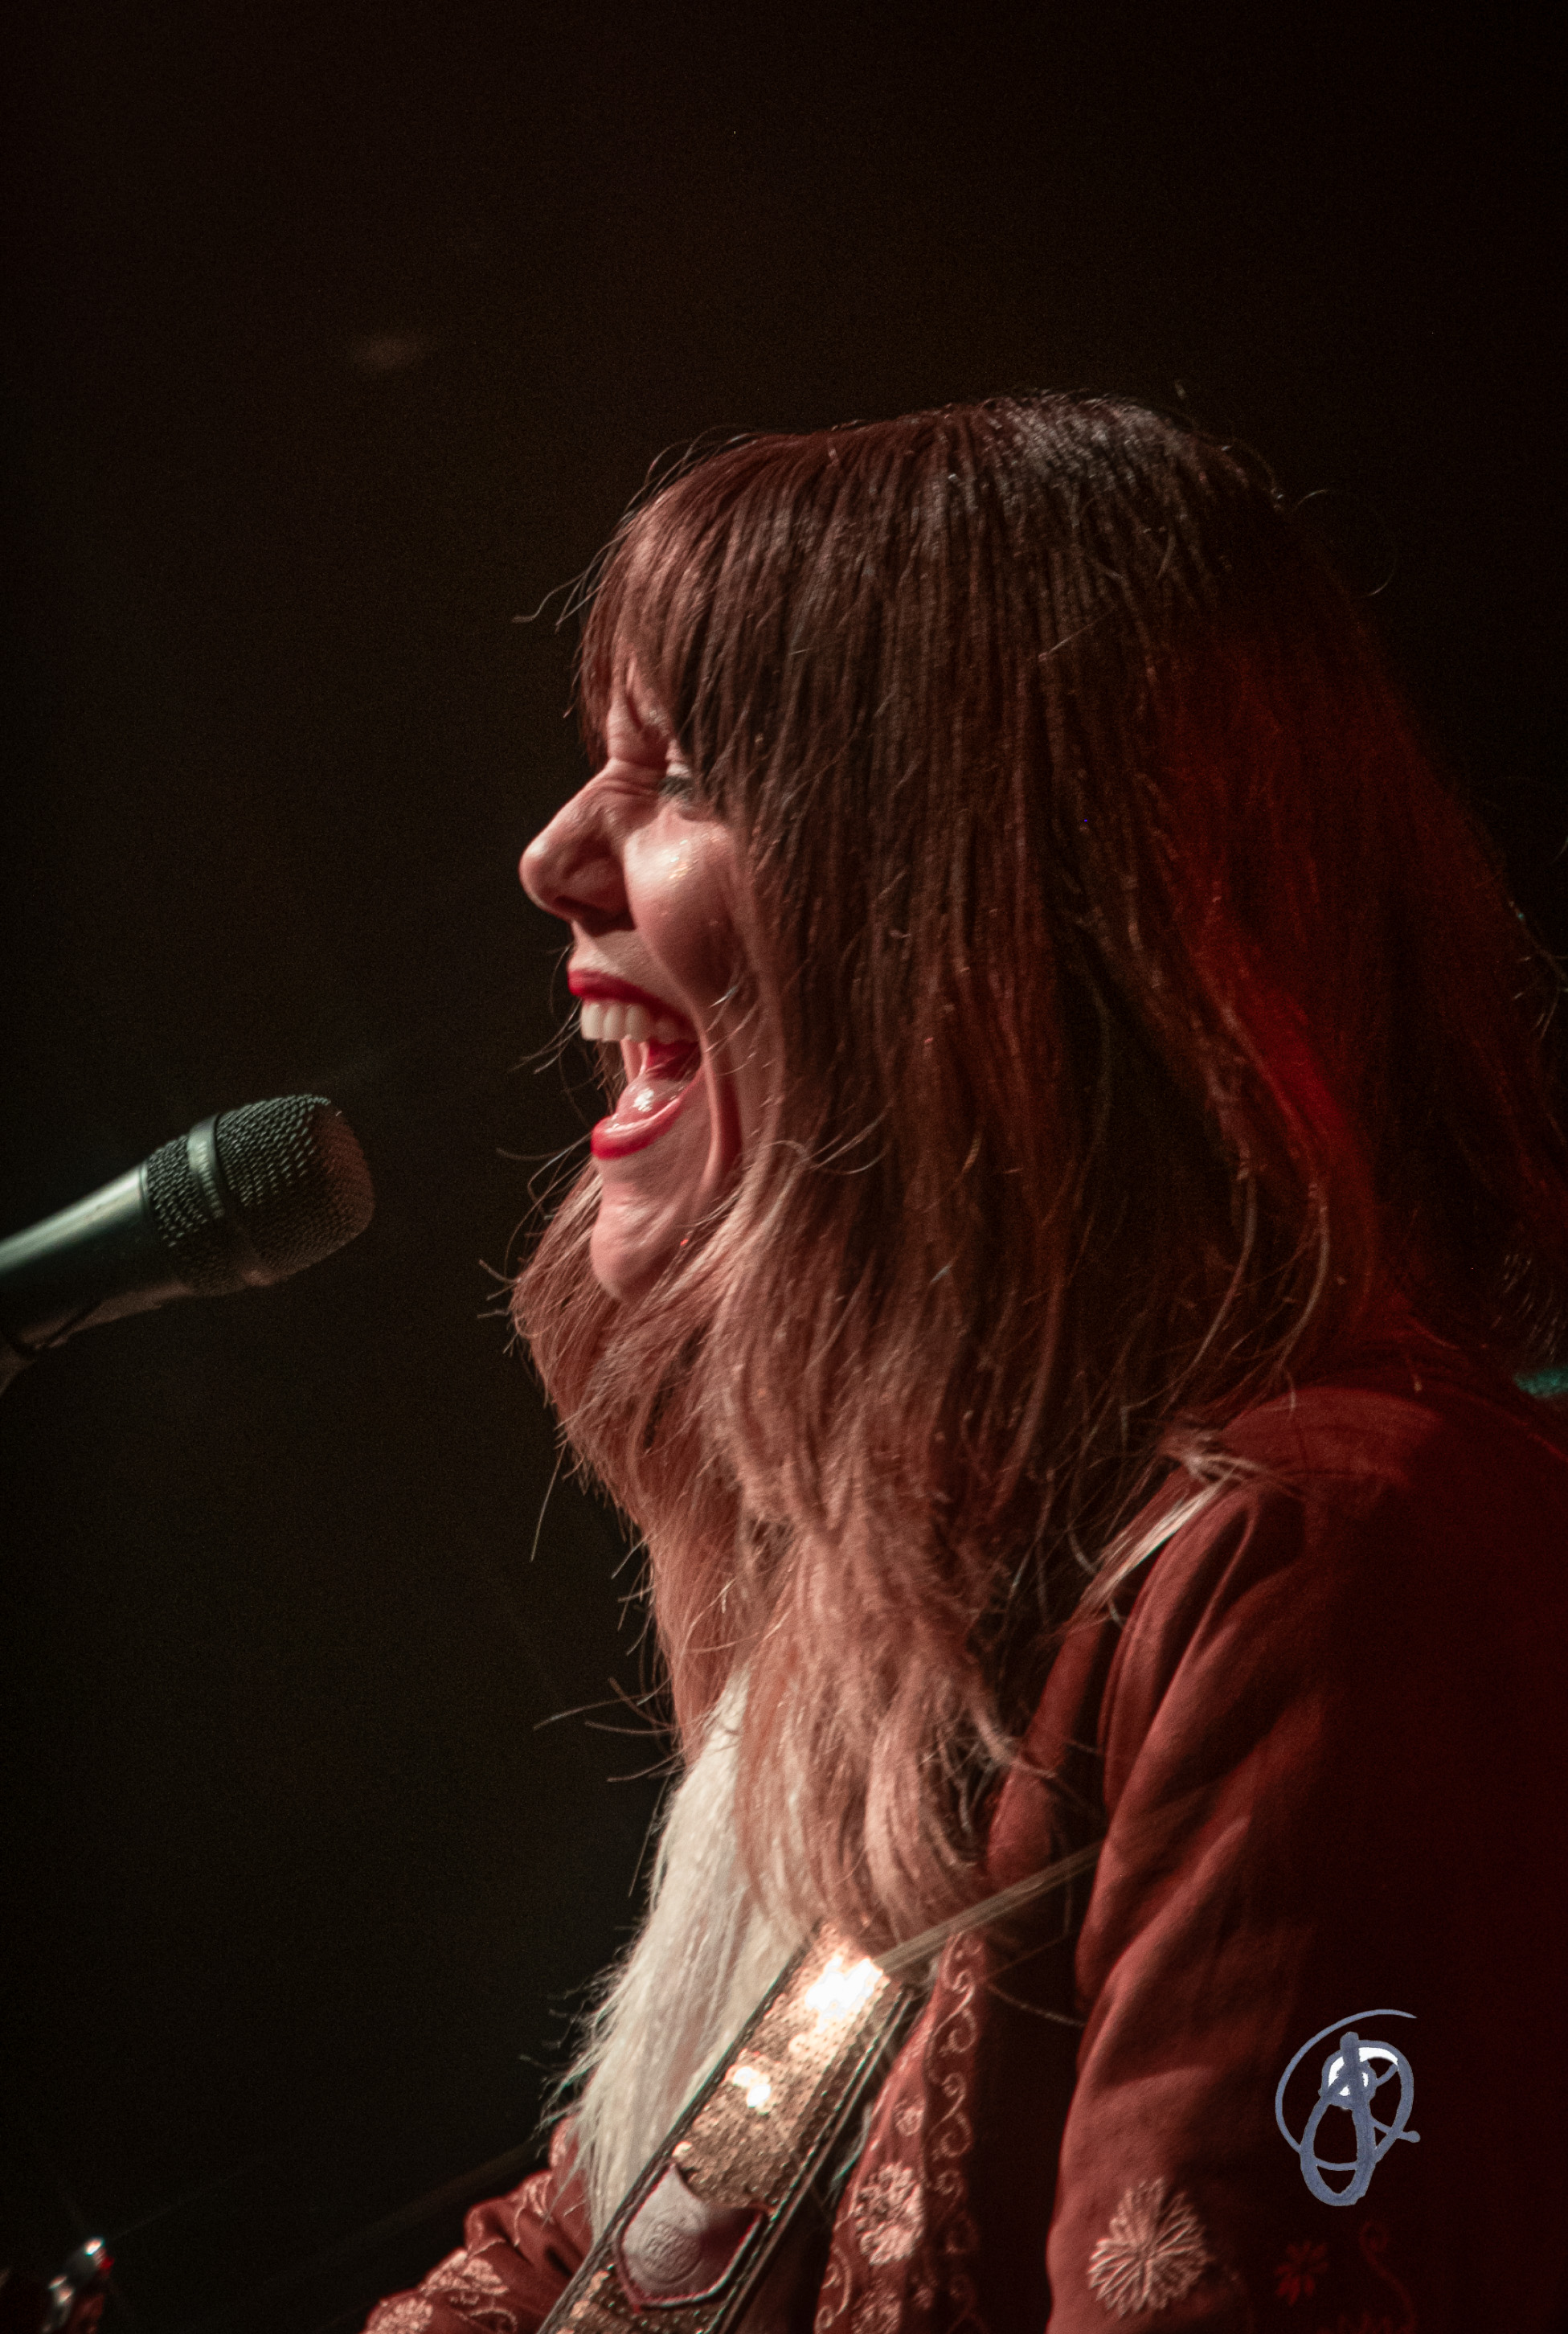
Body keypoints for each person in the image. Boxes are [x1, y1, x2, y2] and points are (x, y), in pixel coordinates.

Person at [364, 395, 1568, 2333]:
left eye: (674, 776)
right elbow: (600, 2254)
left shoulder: (1329, 1558)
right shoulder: (943, 1597)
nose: (552, 859)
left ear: (972, 920)